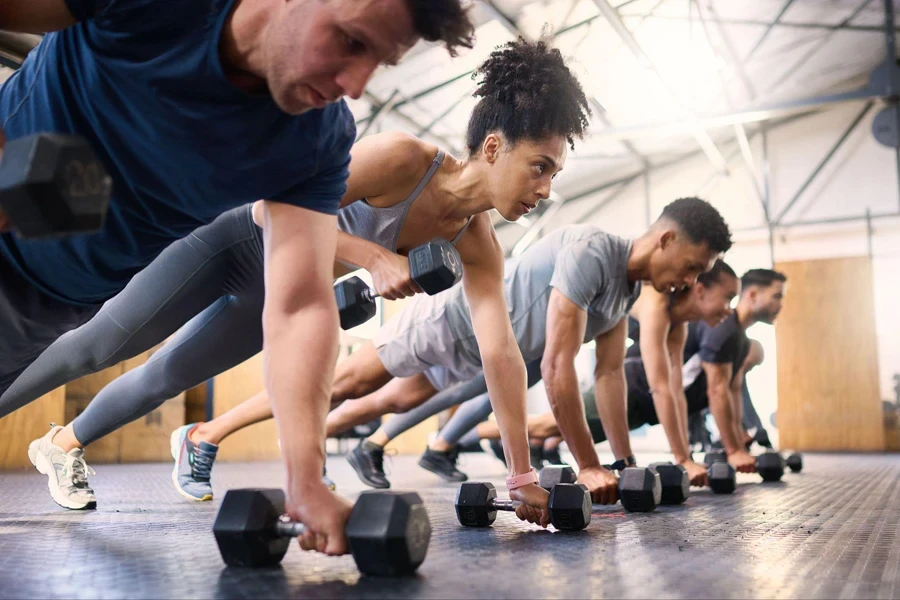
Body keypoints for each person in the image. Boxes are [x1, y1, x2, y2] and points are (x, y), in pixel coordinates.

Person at [7, 38, 592, 528]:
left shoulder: (478, 242)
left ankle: (60, 446)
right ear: (493, 147)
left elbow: (501, 354)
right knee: (99, 344)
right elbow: (271, 210)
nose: (544, 190)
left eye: (554, 175)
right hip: (235, 241)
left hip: (282, 292)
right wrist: (373, 256)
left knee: (166, 377)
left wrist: (519, 476)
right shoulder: (403, 160)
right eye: (539, 167)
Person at [319, 198, 732, 503]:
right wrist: (588, 464)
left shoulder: (627, 292)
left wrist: (622, 465)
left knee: (393, 398)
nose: (689, 279)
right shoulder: (592, 251)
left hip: (496, 350)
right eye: (693, 266)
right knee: (352, 383)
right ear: (667, 239)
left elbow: (609, 376)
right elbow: (557, 364)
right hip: (454, 319)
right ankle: (304, 438)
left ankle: (338, 439)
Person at [366, 260, 740, 487]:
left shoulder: (681, 321)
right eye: (691, 268)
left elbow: (670, 386)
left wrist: (681, 457)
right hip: (534, 331)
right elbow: (661, 387)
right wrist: (682, 459)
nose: (728, 308)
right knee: (455, 392)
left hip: (549, 340)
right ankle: (386, 442)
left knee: (478, 398)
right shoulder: (654, 299)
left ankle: (440, 446)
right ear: (698, 285)